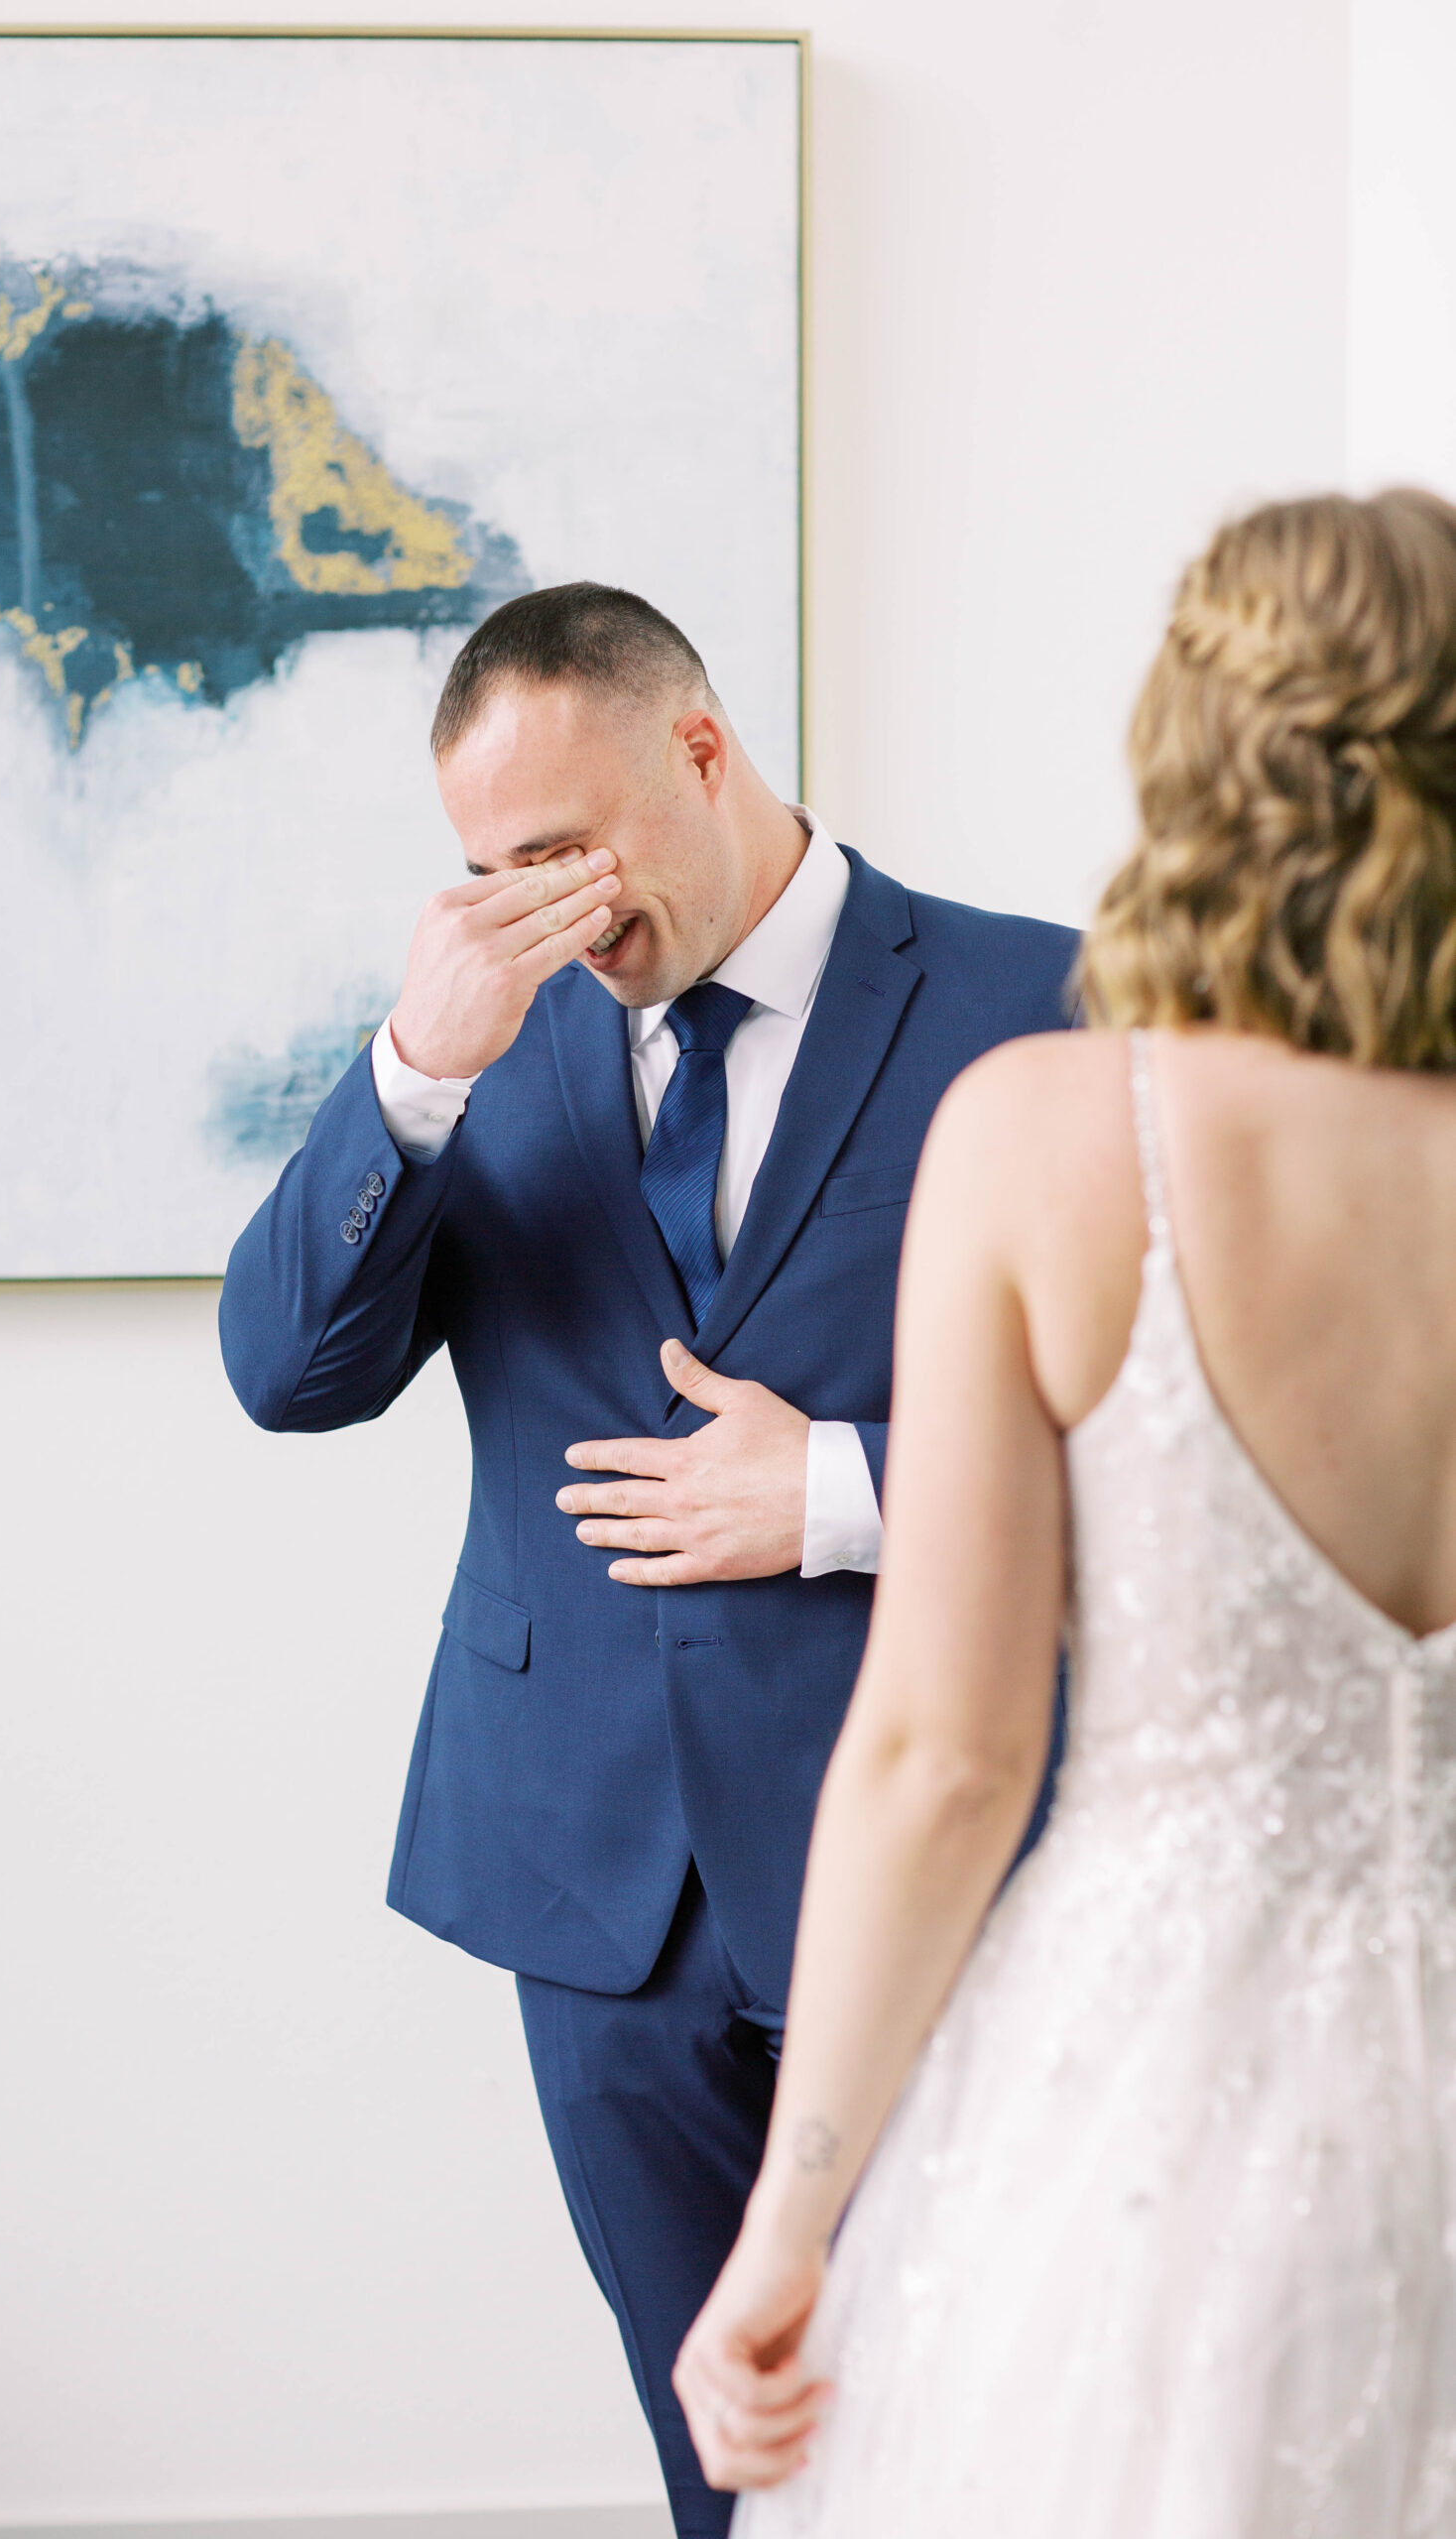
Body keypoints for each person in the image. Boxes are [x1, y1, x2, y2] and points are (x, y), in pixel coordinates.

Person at [218, 583, 1078, 2535]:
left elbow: (1166, 1434)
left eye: (563, 850)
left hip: (926, 1859)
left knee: (967, 2439)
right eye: (483, 867)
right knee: (720, 2459)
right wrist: (407, 1074)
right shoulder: (474, 1040)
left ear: (699, 749)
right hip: (591, 1891)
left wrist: (848, 1486)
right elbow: (285, 1370)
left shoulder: (1033, 1005)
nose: (538, 909)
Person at [673, 489, 1456, 2538]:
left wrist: (792, 2213)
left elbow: (941, 1755)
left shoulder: (1049, 1132)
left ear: (1189, 752)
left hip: (1160, 2111)